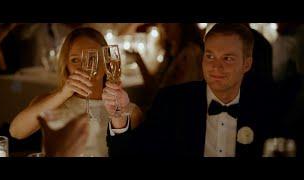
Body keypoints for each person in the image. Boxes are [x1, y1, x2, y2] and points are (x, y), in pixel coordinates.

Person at [107, 23, 282, 157]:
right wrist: (118, 117)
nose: (216, 67)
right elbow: (129, 154)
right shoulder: (172, 102)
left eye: (227, 58)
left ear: (247, 64)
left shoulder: (267, 108)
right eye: (210, 56)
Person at [9, 27, 142, 157]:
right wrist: (62, 94)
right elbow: (16, 132)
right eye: (75, 60)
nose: (84, 67)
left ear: (107, 62)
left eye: (92, 58)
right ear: (66, 65)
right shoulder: (51, 103)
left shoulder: (129, 111)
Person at [127, 23, 204, 111]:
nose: (164, 26)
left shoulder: (191, 54)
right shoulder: (171, 52)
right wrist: (139, 60)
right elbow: (154, 86)